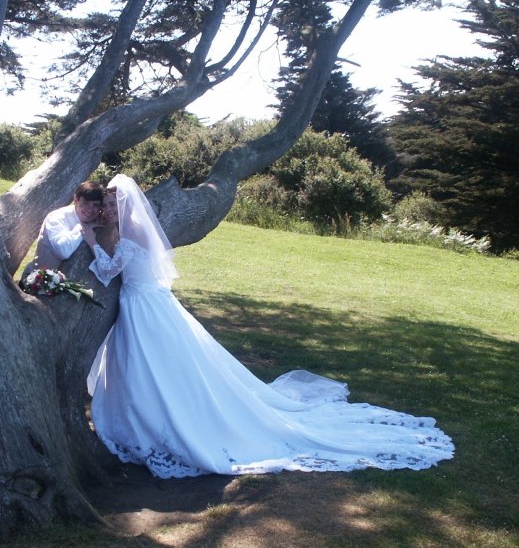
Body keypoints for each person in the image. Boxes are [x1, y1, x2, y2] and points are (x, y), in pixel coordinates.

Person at [81, 174, 454, 479]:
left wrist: (90, 240)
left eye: (115, 204)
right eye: (108, 205)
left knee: (155, 369)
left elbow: (108, 271)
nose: (110, 210)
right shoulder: (132, 228)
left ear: (127, 205)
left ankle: (159, 426)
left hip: (143, 306)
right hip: (147, 304)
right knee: (154, 368)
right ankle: (141, 422)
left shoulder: (129, 232)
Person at [22, 180, 104, 278]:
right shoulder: (56, 218)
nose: (90, 209)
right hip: (37, 281)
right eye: (86, 203)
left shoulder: (98, 223)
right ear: (76, 200)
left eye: (95, 205)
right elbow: (63, 251)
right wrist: (83, 228)